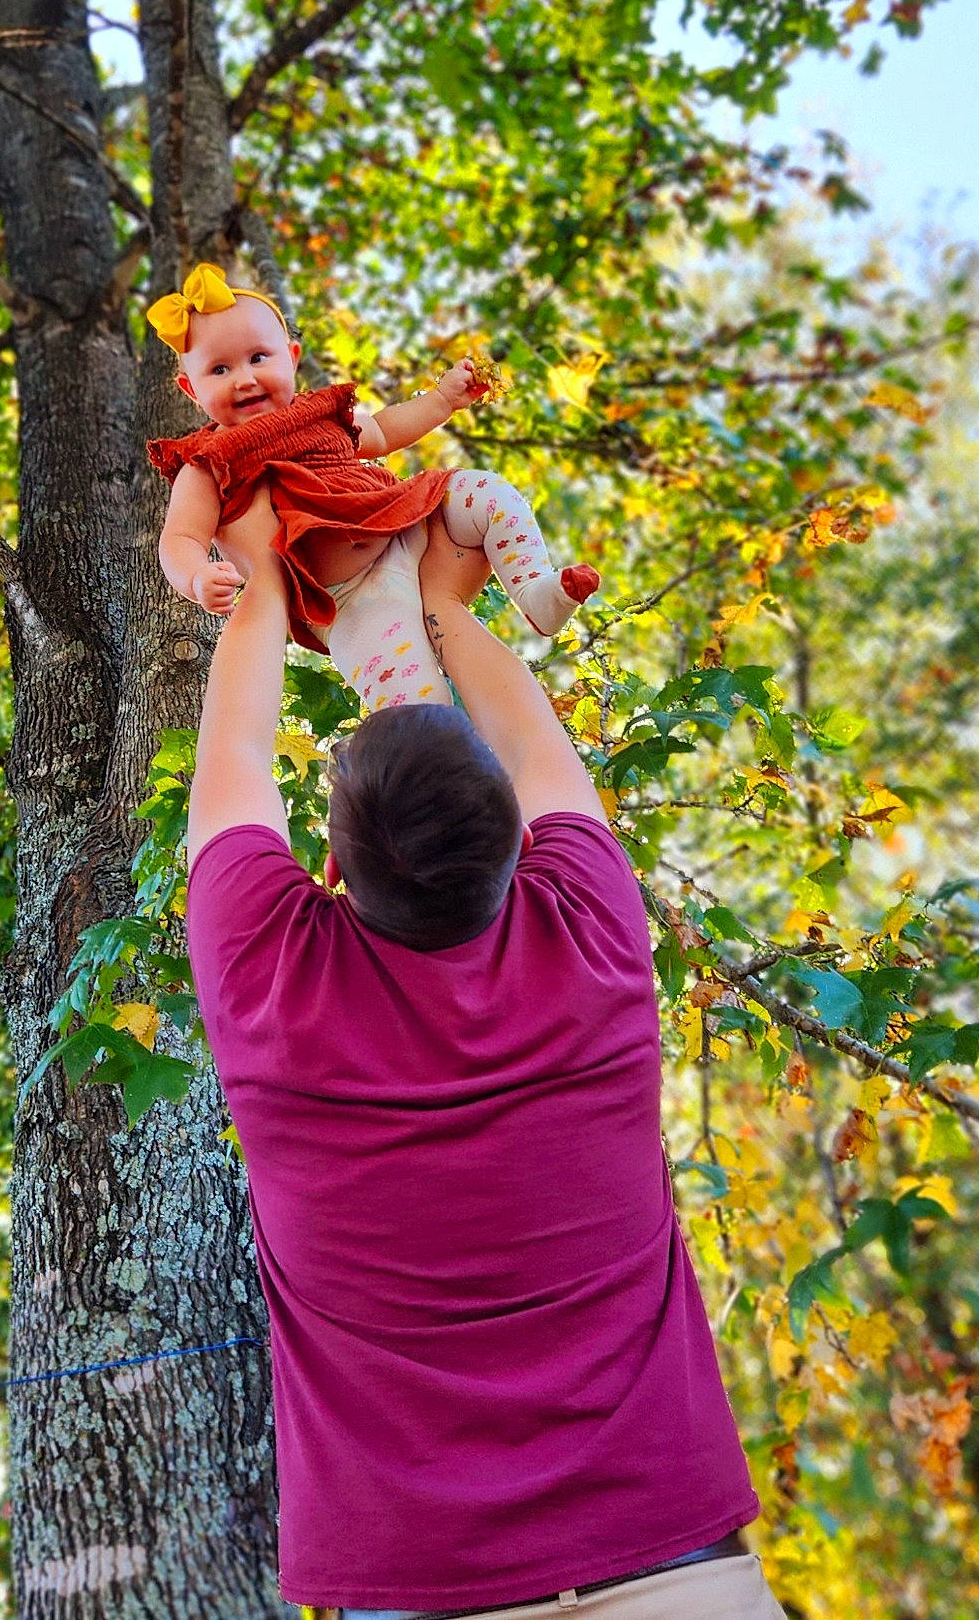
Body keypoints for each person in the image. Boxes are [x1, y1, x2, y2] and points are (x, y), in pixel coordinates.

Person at [185, 496, 779, 1620]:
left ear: (331, 867)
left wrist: (260, 572)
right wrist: (445, 608)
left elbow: (233, 755)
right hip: (675, 1566)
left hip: (421, 1585)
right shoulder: (595, 938)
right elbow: (539, 748)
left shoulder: (272, 978)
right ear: (517, 835)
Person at [145, 261, 598, 711]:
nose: (244, 379)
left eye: (258, 358)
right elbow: (180, 537)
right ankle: (440, 765)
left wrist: (442, 400)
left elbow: (382, 429)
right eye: (219, 370)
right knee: (415, 703)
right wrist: (196, 576)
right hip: (349, 598)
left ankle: (535, 590)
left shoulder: (320, 414)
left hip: (409, 523)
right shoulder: (208, 461)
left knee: (485, 492)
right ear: (191, 389)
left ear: (292, 358)